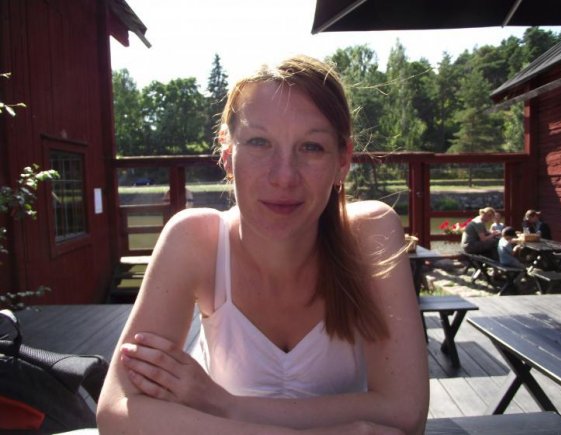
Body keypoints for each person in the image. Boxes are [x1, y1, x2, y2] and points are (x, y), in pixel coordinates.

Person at [97, 55, 429, 434]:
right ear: (228, 155)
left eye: (311, 147)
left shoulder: (370, 234)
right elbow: (116, 411)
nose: (284, 176)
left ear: (342, 161)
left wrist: (225, 406)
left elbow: (405, 412)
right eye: (259, 142)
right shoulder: (196, 240)